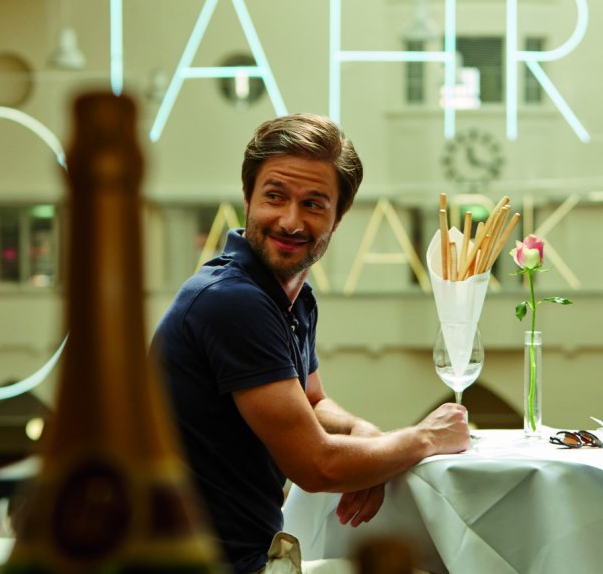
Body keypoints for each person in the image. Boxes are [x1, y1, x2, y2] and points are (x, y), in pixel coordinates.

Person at [152, 113, 471, 574]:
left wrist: (364, 434)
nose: (290, 221)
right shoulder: (232, 301)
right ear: (247, 196)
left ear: (337, 218)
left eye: (314, 204)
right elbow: (317, 465)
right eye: (275, 197)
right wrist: (424, 437)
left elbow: (312, 400)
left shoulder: (290, 295)